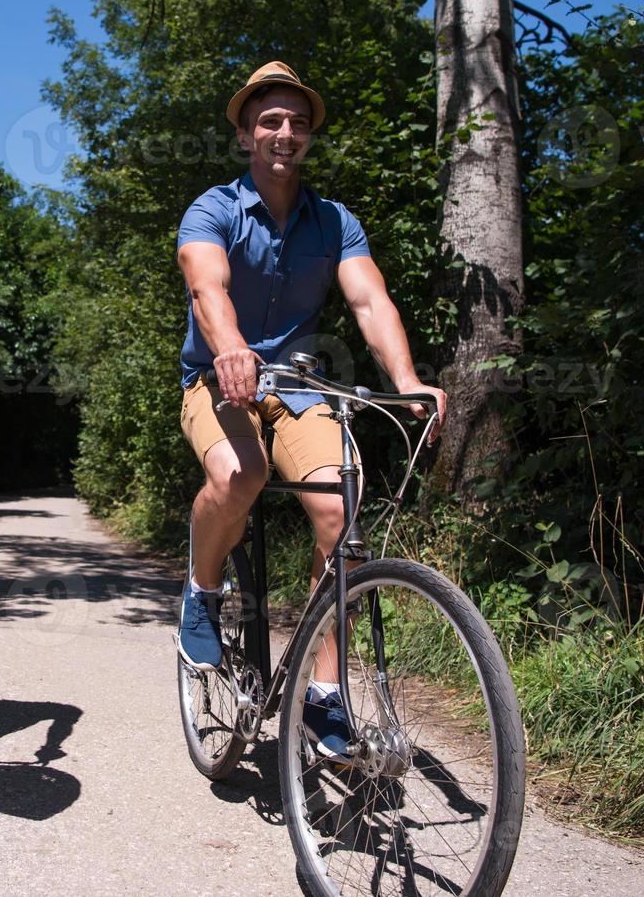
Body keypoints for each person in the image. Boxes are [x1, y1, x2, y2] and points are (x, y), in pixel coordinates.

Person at [175, 62, 447, 759]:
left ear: (308, 138)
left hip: (299, 385)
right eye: (269, 120)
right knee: (239, 476)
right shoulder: (213, 209)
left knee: (341, 516)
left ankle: (322, 693)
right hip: (219, 377)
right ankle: (202, 593)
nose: (284, 132)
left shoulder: (334, 222)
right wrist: (231, 347)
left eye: (297, 122)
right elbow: (207, 288)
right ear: (244, 134)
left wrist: (407, 377)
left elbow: (367, 301)